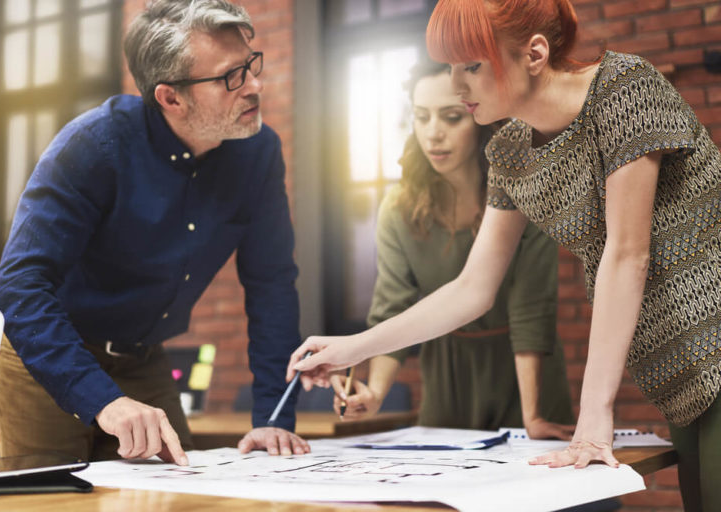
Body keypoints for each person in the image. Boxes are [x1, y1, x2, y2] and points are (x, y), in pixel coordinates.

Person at [289, 1, 721, 510]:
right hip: (678, 372)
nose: (456, 85)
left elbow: (628, 255)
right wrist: (355, 346)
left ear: (535, 54)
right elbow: (472, 288)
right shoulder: (510, 152)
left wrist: (594, 415)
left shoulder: (624, 88)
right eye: (451, 67)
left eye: (471, 66)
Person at [0, 0, 310, 465]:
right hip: (47, 356)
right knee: (49, 499)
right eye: (230, 77)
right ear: (170, 97)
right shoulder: (92, 147)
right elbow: (18, 286)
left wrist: (273, 418)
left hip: (143, 359)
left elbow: (272, 285)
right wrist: (103, 400)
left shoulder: (258, 153)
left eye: (250, 66)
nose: (256, 86)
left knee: (179, 495)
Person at [330, 57, 574, 438]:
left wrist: (533, 417)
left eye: (451, 117)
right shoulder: (399, 208)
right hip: (446, 374)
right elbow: (392, 306)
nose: (433, 134)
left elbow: (532, 309)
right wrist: (375, 393)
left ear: (480, 116)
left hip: (526, 372)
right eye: (421, 116)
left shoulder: (523, 184)